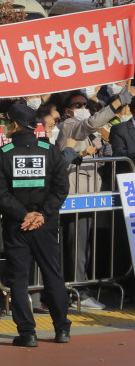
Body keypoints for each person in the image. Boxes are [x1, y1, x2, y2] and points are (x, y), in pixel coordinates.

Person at [0, 103, 72, 347]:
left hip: (17, 225)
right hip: (44, 225)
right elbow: (61, 188)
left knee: (19, 280)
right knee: (53, 275)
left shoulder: (3, 153)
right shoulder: (50, 150)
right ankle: (62, 330)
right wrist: (42, 214)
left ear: (14, 124)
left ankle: (28, 333)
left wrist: (24, 215)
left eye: (6, 121)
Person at [56, 90, 128, 310]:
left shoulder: (89, 131)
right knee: (76, 246)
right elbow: (89, 125)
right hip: (74, 196)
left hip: (90, 195)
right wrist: (116, 104)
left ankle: (81, 286)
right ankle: (78, 290)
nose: (82, 107)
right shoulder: (69, 126)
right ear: (68, 110)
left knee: (84, 246)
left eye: (85, 104)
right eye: (77, 105)